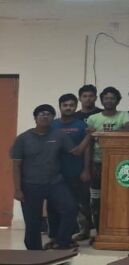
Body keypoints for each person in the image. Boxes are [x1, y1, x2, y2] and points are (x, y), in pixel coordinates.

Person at [11, 104, 91, 250]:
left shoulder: (59, 135)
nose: (45, 116)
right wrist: (17, 189)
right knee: (32, 221)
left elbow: (77, 152)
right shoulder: (22, 138)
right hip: (30, 185)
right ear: (35, 118)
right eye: (42, 114)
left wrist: (88, 136)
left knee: (71, 208)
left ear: (53, 118)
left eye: (49, 114)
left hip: (55, 183)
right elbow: (16, 166)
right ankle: (34, 251)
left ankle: (62, 242)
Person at [86, 86, 129, 230]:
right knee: (96, 199)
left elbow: (128, 130)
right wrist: (88, 166)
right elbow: (88, 143)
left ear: (118, 101)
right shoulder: (93, 118)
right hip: (97, 163)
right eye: (106, 98)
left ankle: (116, 228)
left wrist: (100, 134)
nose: (109, 101)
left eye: (112, 98)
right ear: (101, 100)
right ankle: (98, 230)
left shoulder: (123, 115)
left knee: (117, 197)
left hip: (118, 163)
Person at [52, 93, 92, 244]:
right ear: (60, 107)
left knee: (78, 204)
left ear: (76, 107)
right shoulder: (53, 125)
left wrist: (86, 170)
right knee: (56, 206)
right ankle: (56, 236)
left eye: (71, 105)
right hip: (55, 173)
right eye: (65, 105)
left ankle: (81, 233)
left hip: (76, 171)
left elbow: (87, 149)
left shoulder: (81, 125)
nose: (68, 108)